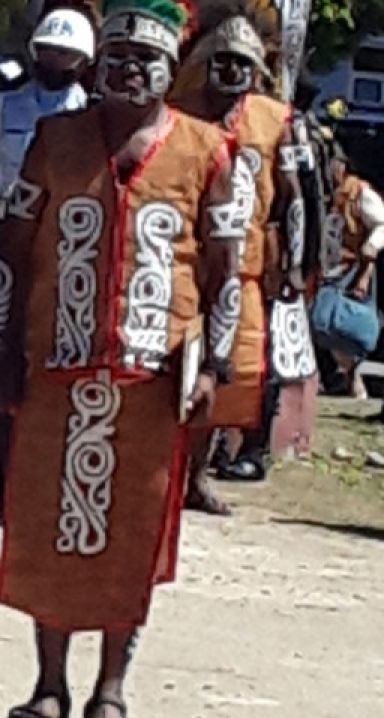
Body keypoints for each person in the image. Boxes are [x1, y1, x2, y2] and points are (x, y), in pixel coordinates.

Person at [0, 0, 247, 718]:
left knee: (133, 537)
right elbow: (11, 249)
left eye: (146, 58)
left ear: (171, 71)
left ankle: (111, 690)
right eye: (118, 55)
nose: (130, 68)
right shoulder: (53, 140)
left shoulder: (205, 150)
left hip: (150, 380)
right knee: (46, 531)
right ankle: (48, 686)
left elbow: (225, 273)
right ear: (97, 67)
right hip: (55, 374)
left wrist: (214, 364)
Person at [0, 5, 95, 527]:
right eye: (48, 51)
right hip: (6, 262)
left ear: (83, 62)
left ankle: (50, 495)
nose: (56, 60)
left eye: (67, 54)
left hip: (68, 264)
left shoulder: (93, 115)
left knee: (58, 379)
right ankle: (3, 491)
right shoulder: (4, 108)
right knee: (0, 371)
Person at [171, 3, 309, 510]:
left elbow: (292, 197)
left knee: (227, 374)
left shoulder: (277, 121)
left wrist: (293, 262)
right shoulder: (179, 115)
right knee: (174, 370)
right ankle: (163, 470)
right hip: (185, 265)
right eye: (222, 62)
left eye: (242, 65)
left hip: (246, 272)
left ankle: (198, 476)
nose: (231, 73)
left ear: (258, 71)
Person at [318, 145, 384, 396]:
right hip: (329, 269)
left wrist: (371, 248)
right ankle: (337, 379)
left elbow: (382, 223)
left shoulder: (360, 193)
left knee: (346, 325)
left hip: (353, 269)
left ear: (342, 166)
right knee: (324, 324)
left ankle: (352, 380)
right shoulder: (326, 193)